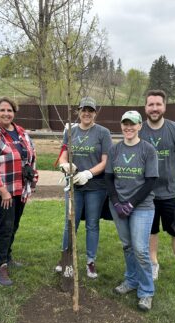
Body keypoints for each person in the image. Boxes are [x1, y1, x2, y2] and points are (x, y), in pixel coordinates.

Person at [139, 89, 175, 289]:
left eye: (158, 104)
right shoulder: (139, 131)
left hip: (172, 193)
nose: (154, 108)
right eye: (151, 104)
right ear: (145, 107)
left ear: (164, 106)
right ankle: (153, 265)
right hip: (146, 195)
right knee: (150, 233)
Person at [0, 97, 38, 286]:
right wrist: (2, 190)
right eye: (2, 110)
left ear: (14, 112)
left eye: (10, 110)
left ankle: (7, 256)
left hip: (19, 188)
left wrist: (32, 180)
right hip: (3, 191)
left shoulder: (21, 132)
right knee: (5, 227)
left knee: (13, 225)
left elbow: (31, 156)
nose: (6, 113)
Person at [104, 110, 159, 311]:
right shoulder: (115, 150)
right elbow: (109, 178)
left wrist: (131, 204)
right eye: (125, 124)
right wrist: (117, 202)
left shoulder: (147, 150)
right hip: (118, 205)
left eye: (132, 124)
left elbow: (151, 180)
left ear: (139, 126)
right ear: (121, 126)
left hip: (141, 206)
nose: (128, 127)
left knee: (141, 249)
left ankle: (146, 292)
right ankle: (131, 280)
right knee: (127, 245)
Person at [55, 96, 113, 278]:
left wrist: (88, 173)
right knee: (70, 223)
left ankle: (90, 261)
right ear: (78, 111)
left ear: (95, 113)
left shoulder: (103, 133)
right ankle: (66, 258)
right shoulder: (70, 131)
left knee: (92, 224)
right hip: (74, 186)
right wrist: (65, 165)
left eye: (90, 110)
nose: (87, 113)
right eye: (83, 110)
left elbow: (106, 161)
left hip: (96, 186)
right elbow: (63, 154)